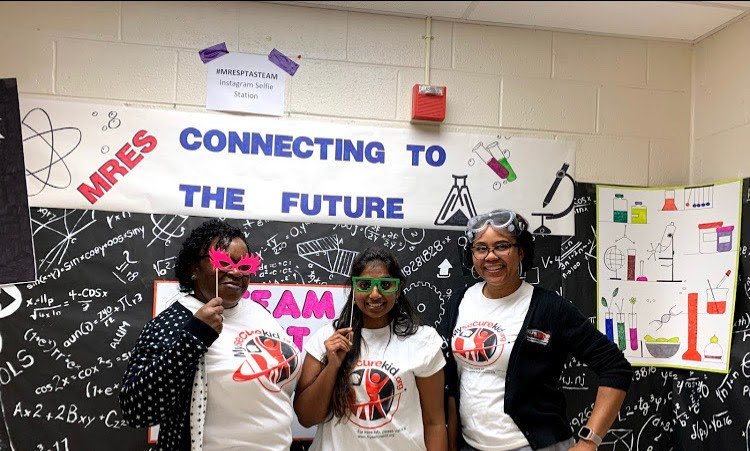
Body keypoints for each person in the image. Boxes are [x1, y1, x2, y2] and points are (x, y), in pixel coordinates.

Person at [445, 209, 632, 451]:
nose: (490, 256)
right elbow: (449, 381)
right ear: (470, 255)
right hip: (471, 445)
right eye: (481, 248)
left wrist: (589, 441)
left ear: (521, 251)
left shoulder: (549, 307)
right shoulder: (460, 301)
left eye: (502, 246)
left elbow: (615, 366)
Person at [119, 219, 301, 450]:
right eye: (223, 262)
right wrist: (194, 336)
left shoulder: (260, 313)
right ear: (194, 268)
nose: (235, 272)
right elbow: (136, 411)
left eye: (244, 266)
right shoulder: (172, 323)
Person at [294, 246, 448, 450]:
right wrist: (332, 366)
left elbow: (435, 422)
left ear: (398, 288)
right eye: (365, 285)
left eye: (385, 284)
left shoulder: (422, 341)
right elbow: (306, 417)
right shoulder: (327, 338)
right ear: (354, 288)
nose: (375, 294)